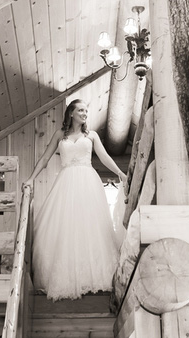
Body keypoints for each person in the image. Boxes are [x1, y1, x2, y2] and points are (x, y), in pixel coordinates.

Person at [24, 99, 126, 301]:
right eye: (81, 110)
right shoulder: (60, 136)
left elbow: (104, 157)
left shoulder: (92, 136)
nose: (85, 113)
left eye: (86, 110)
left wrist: (120, 173)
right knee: (65, 227)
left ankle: (93, 276)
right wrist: (30, 179)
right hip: (66, 181)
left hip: (87, 181)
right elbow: (44, 158)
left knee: (89, 227)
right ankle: (65, 277)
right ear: (71, 113)